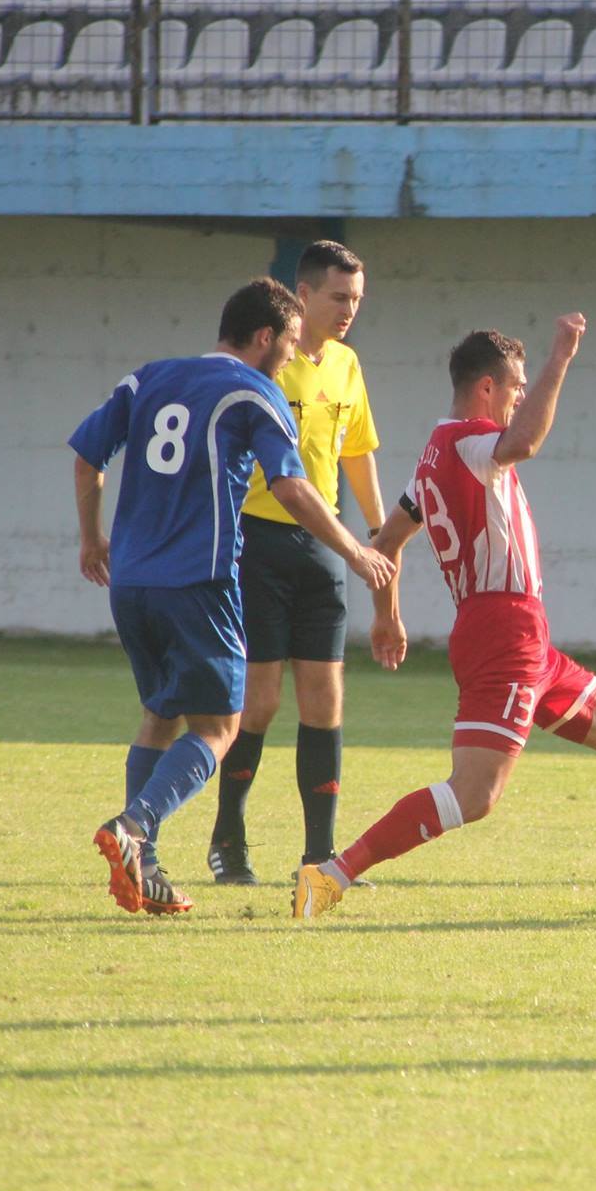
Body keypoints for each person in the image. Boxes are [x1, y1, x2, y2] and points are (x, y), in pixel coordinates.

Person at [292, 315, 596, 919]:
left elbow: (388, 542)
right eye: (516, 387)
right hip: (504, 635)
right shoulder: (473, 443)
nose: (522, 397)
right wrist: (561, 358)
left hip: (521, 636)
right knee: (474, 795)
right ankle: (332, 875)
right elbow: (522, 442)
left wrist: (385, 617)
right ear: (486, 389)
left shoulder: (433, 456)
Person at [70, 278, 395, 916]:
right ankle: (133, 828)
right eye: (290, 342)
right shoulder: (257, 391)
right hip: (198, 580)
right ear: (266, 337)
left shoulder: (148, 377)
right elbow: (294, 488)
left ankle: (149, 868)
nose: (293, 355)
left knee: (161, 717)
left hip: (131, 581)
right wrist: (355, 551)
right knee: (218, 728)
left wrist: (92, 540)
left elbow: (87, 457)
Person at [206, 241, 384, 887]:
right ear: (302, 295)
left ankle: (320, 856)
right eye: (339, 297)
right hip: (259, 542)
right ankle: (227, 837)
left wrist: (376, 529)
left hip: (326, 548)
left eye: (357, 300)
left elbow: (356, 450)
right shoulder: (269, 363)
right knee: (260, 701)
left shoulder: (346, 364)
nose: (349, 311)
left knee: (325, 698)